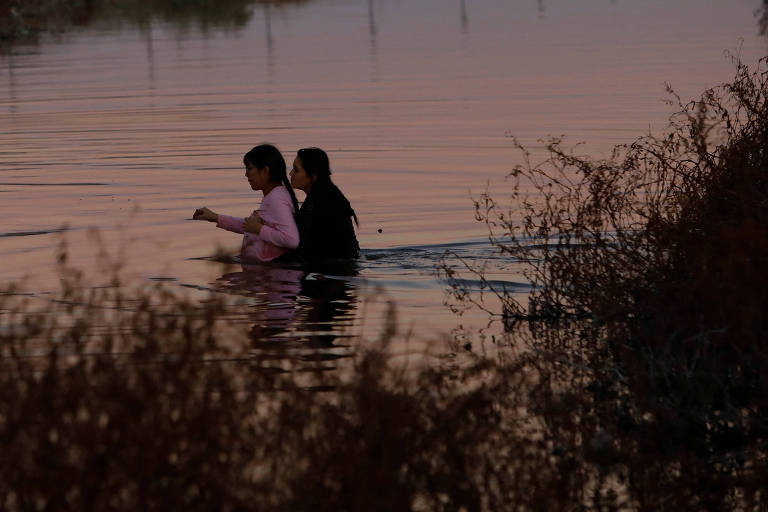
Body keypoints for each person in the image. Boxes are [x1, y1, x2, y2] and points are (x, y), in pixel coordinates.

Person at [193, 144, 299, 262]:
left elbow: (291, 240)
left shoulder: (276, 198)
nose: (246, 174)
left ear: (265, 171)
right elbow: (249, 226)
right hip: (261, 272)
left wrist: (259, 229)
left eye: (249, 168)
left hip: (267, 275)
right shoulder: (274, 195)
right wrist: (216, 217)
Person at [289, 147, 360, 263]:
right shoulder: (325, 194)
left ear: (313, 176)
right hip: (343, 263)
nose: (291, 173)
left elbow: (311, 245)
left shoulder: (324, 202)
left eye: (296, 170)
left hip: (335, 267)